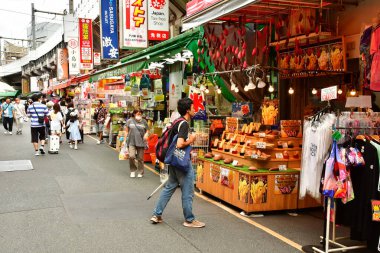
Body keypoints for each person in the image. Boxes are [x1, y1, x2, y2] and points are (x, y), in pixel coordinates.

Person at [150, 98, 205, 228]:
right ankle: (189, 220)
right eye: (193, 107)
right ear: (187, 110)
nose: (194, 109)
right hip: (181, 162)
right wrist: (191, 140)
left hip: (173, 160)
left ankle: (156, 214)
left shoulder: (177, 121)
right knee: (188, 191)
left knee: (169, 187)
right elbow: (180, 144)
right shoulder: (184, 124)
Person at [123, 108, 149, 178]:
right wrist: (124, 140)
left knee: (140, 158)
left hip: (141, 142)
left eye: (140, 113)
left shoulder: (144, 121)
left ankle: (140, 172)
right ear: (134, 114)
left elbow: (147, 130)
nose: (139, 115)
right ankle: (133, 170)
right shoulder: (129, 121)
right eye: (137, 113)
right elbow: (126, 131)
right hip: (131, 141)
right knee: (131, 156)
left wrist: (146, 134)